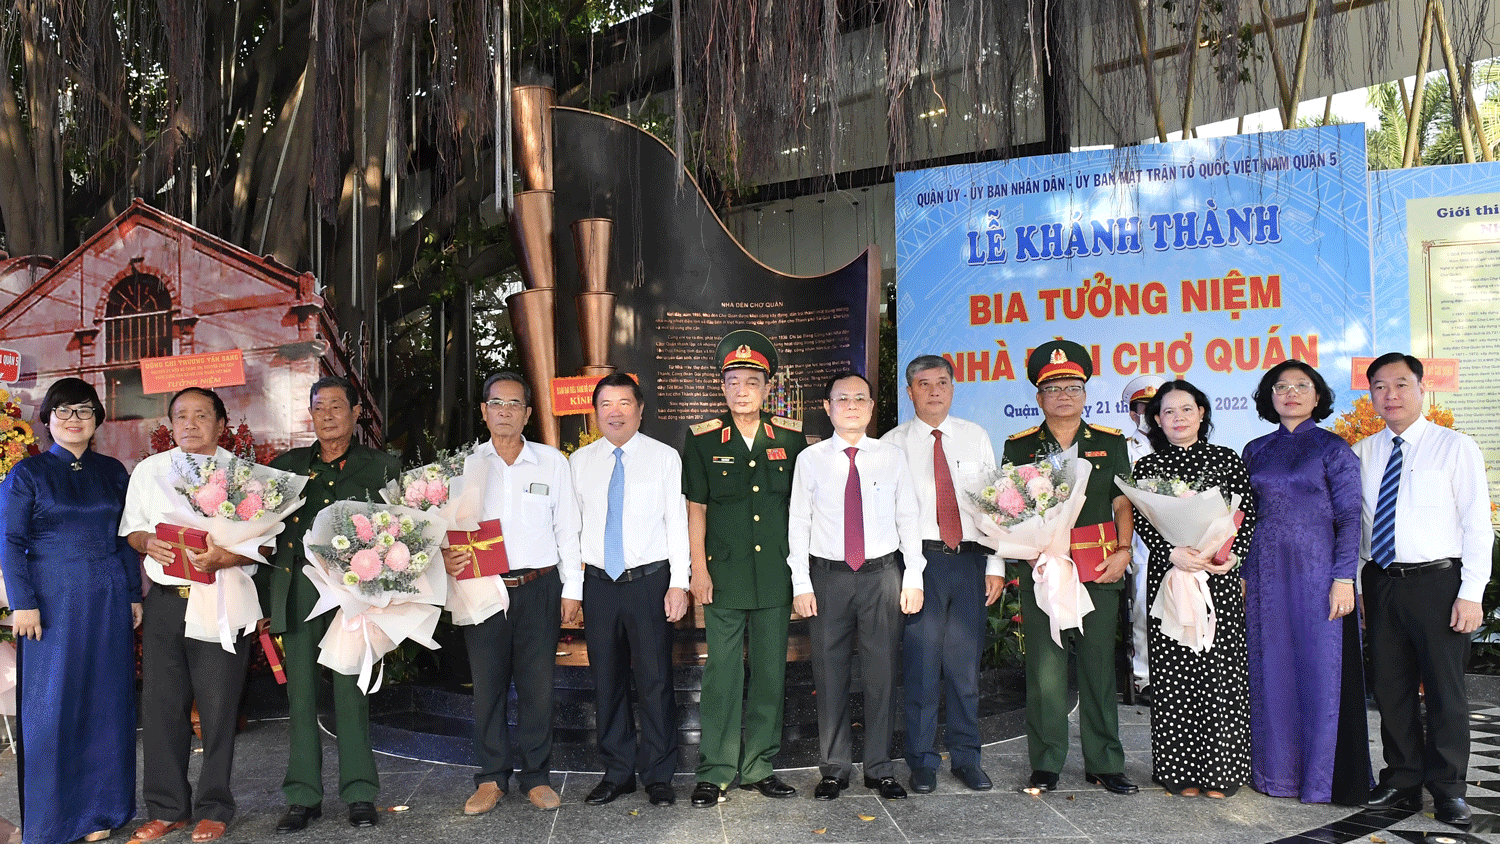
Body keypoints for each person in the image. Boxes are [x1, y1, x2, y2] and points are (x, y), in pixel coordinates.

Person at [1, 377, 142, 844]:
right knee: (51, 709)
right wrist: (22, 603)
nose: (74, 419)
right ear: (47, 420)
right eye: (62, 411)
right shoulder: (28, 474)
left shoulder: (113, 471)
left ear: (98, 418)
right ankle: (53, 821)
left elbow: (125, 537)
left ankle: (100, 811)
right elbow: (10, 542)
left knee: (106, 703)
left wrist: (132, 594)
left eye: (84, 410)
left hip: (106, 598)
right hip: (50, 603)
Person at [1354, 353, 1492, 828]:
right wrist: (1357, 587)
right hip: (1381, 582)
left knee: (1444, 691)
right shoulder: (1364, 451)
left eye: (1400, 384)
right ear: (1369, 394)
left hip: (1439, 583)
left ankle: (1450, 788)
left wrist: (1471, 592)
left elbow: (1477, 523)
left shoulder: (1455, 447)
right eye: (1379, 387)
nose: (1390, 395)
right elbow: (1358, 528)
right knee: (1390, 687)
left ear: (1420, 388)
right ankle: (1401, 779)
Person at [121, 388, 260, 843]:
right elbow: (132, 529)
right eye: (181, 415)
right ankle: (167, 809)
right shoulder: (150, 470)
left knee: (219, 711)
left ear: (222, 423)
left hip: (222, 599)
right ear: (170, 424)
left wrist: (228, 557)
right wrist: (147, 543)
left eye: (202, 415)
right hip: (167, 601)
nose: (190, 423)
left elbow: (266, 543)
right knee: (162, 708)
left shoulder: (245, 476)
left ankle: (214, 807)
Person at [264, 377, 401, 832]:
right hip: (299, 591)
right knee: (300, 696)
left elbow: (400, 532)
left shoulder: (380, 467)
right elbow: (265, 536)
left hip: (352, 597)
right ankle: (303, 796)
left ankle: (360, 794)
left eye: (337, 406)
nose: (327, 415)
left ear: (356, 412)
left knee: (350, 693)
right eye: (318, 407)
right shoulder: (285, 468)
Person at [1003, 341, 1137, 796]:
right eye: (1054, 388)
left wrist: (1124, 549)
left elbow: (1123, 501)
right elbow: (1010, 509)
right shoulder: (1019, 446)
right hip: (1042, 570)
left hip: (1098, 566)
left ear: (1086, 394)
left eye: (1073, 387)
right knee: (1046, 671)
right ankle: (1045, 763)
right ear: (1039, 398)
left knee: (1100, 667)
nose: (1064, 395)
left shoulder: (1110, 442)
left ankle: (1104, 762)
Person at [444, 372, 581, 815]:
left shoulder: (552, 462)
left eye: (514, 404)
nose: (505, 411)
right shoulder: (461, 467)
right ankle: (490, 778)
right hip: (483, 588)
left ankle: (536, 777)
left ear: (527, 413)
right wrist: (444, 557)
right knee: (487, 686)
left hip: (539, 587)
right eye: (496, 403)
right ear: (483, 411)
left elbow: (568, 529)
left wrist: (572, 590)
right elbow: (441, 529)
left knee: (538, 686)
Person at [787, 371, 924, 802]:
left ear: (870, 407)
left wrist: (914, 575)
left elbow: (909, 519)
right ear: (826, 407)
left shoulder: (891, 457)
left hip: (882, 576)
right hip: (828, 579)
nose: (851, 405)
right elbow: (798, 524)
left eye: (859, 399)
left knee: (881, 673)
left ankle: (880, 768)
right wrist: (800, 583)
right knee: (829, 674)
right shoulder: (810, 460)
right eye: (841, 399)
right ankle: (834, 768)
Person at [683, 331, 806, 807]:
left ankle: (758, 766)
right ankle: (715, 770)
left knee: (771, 672)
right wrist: (698, 569)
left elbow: (802, 510)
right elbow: (697, 507)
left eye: (751, 381)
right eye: (732, 381)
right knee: (722, 674)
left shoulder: (792, 439)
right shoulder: (702, 440)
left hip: (776, 574)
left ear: (766, 387)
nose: (741, 390)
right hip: (724, 575)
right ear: (723, 387)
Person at [1240, 361, 1370, 804]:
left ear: (1318, 397)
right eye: (1281, 386)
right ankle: (1275, 774)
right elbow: (1242, 519)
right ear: (1269, 396)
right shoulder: (1255, 450)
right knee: (1271, 669)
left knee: (1319, 670)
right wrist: (1240, 574)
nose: (1290, 393)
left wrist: (1342, 579)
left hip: (1318, 578)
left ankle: (1321, 779)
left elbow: (1351, 518)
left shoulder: (1334, 449)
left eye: (1301, 386)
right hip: (1265, 578)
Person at [569, 373, 691, 807]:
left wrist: (680, 583)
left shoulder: (664, 458)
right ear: (595, 411)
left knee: (655, 679)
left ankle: (659, 774)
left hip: (649, 582)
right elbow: (571, 530)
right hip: (599, 584)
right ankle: (618, 772)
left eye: (624, 403)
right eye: (606, 404)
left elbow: (677, 523)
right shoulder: (580, 462)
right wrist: (572, 589)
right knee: (607, 679)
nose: (615, 412)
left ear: (641, 410)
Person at [1132, 380, 1256, 798]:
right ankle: (1178, 772)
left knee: (1219, 675)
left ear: (1202, 413)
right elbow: (1146, 522)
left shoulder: (1226, 460)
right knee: (1174, 676)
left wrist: (1224, 558)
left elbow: (1247, 513)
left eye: (1186, 409)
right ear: (1157, 421)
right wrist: (1172, 553)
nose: (1178, 418)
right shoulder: (1147, 469)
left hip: (1216, 577)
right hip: (1170, 577)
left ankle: (1222, 773)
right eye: (1168, 412)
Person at [882, 355, 1000, 794]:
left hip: (970, 561)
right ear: (908, 391)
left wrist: (996, 562)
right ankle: (922, 760)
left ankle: (968, 758)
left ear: (953, 388)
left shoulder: (975, 436)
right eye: (924, 383)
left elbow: (996, 506)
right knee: (922, 668)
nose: (934, 390)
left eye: (943, 382)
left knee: (965, 669)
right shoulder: (891, 444)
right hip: (918, 565)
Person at [1121, 374, 1164, 702]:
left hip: (1184, 543)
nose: (1150, 413)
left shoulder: (1182, 442)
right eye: (1143, 407)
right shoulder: (1125, 449)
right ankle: (1145, 677)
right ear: (1133, 413)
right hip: (1141, 543)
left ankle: (1179, 676)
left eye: (1156, 407)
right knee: (1143, 608)